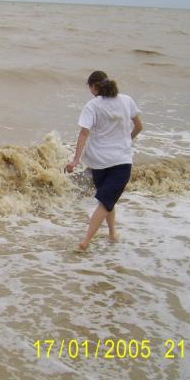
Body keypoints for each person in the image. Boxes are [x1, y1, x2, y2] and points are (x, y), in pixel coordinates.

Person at [64, 71, 143, 251]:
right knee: (107, 201)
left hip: (98, 162)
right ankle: (89, 240)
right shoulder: (126, 100)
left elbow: (84, 133)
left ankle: (103, 236)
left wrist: (76, 160)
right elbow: (139, 126)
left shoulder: (92, 106)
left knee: (107, 201)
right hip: (121, 161)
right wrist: (127, 140)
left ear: (94, 87)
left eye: (90, 87)